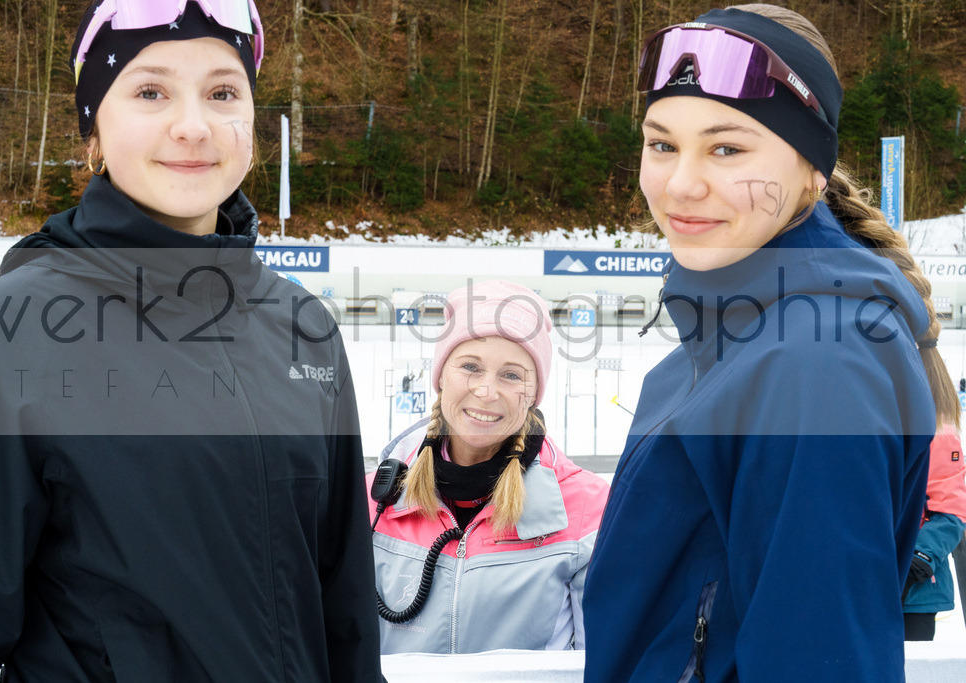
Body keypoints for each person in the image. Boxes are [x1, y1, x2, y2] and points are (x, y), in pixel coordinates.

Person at [0, 2, 381, 681]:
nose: (193, 125)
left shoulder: (304, 329)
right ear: (93, 125)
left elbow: (345, 613)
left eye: (222, 93)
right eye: (150, 91)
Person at [582, 4, 959, 681]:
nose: (681, 184)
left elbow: (821, 656)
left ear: (811, 172)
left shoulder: (818, 363)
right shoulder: (710, 347)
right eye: (662, 143)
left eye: (727, 148)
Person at [369, 279, 609, 653]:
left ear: (533, 394)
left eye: (512, 374)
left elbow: (600, 662)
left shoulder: (587, 509)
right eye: (470, 366)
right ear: (441, 378)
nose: (486, 391)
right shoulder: (372, 500)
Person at [903, 424, 966, 640]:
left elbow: (950, 511)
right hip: (860, 583)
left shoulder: (938, 432)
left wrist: (917, 560)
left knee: (912, 669)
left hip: (914, 591)